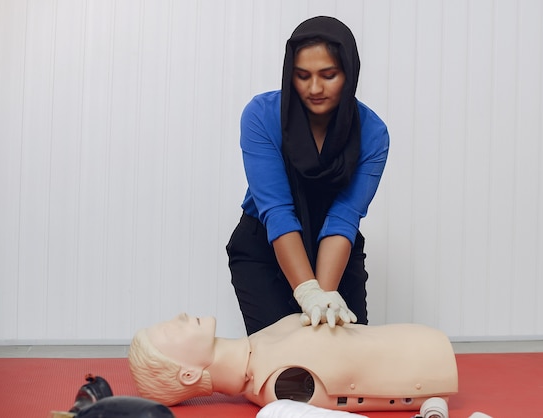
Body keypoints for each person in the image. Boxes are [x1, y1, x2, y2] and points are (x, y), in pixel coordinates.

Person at [226, 16, 389, 335]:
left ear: (349, 73)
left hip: (336, 247)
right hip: (266, 247)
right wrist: (307, 293)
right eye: (303, 76)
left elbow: (344, 217)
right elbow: (277, 212)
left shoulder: (373, 133)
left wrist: (324, 300)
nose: (314, 88)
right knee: (287, 372)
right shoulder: (261, 115)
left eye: (328, 75)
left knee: (344, 364)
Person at [127, 313, 458, 413]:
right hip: (427, 361)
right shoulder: (277, 386)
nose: (182, 316)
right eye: (173, 328)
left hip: (418, 340)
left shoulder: (261, 344)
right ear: (189, 373)